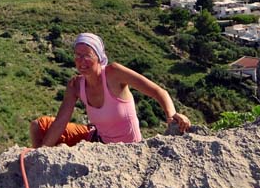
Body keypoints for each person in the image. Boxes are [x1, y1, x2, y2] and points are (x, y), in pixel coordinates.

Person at [30, 32, 191, 147]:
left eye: (87, 55)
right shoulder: (75, 86)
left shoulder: (114, 74)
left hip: (129, 149)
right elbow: (60, 123)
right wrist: (42, 153)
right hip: (97, 140)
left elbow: (159, 92)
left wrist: (171, 116)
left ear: (99, 57)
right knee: (38, 126)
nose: (81, 61)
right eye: (77, 55)